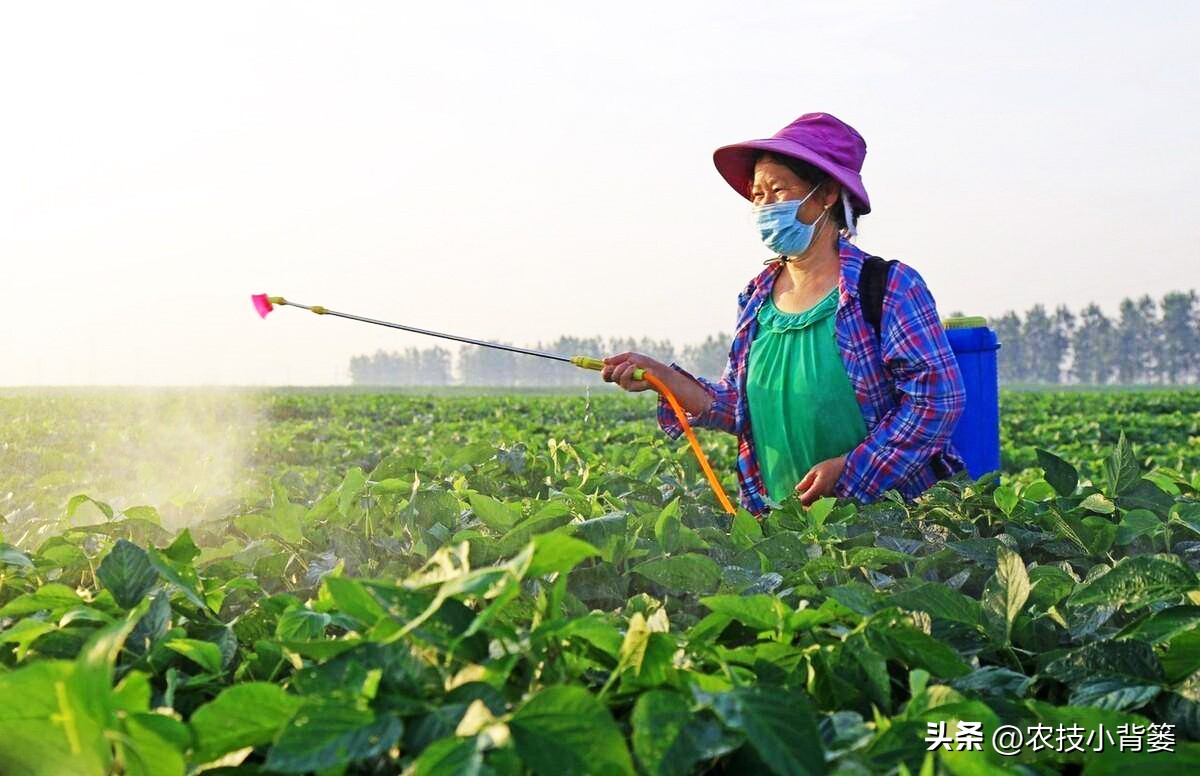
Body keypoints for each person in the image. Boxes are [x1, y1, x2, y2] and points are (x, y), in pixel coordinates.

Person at [602, 112, 966, 516]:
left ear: (826, 194)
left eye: (778, 191)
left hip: (889, 526)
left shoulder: (888, 287)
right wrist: (662, 377)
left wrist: (851, 472)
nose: (764, 206)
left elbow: (937, 401)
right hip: (782, 526)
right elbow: (737, 407)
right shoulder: (756, 297)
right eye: (757, 195)